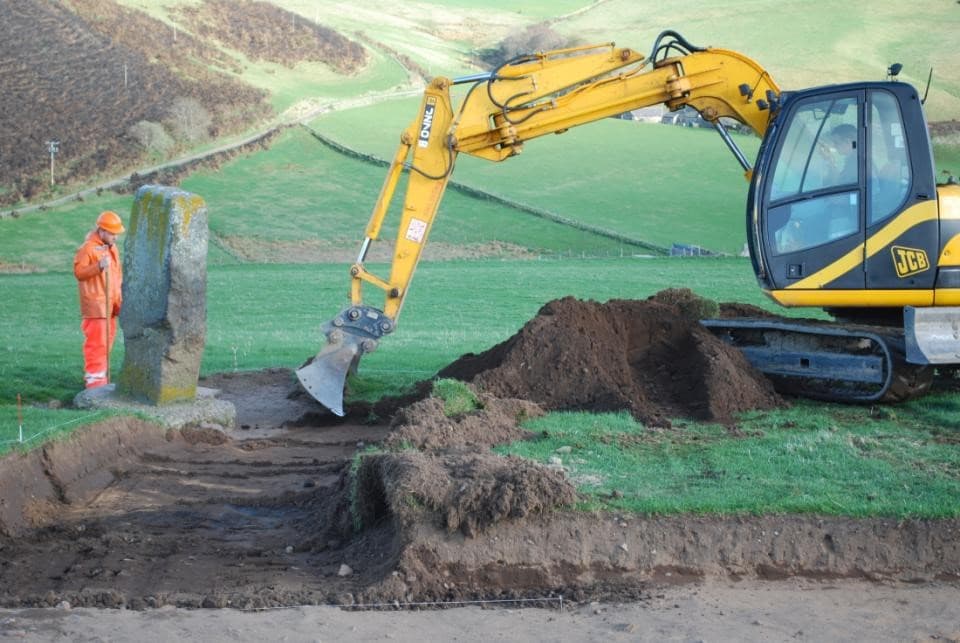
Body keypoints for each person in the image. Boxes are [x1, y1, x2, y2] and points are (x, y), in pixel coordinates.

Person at [73, 210, 125, 389]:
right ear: (101, 231)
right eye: (112, 233)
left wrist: (119, 300)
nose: (115, 237)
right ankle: (94, 384)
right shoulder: (87, 248)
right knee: (97, 345)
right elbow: (79, 273)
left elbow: (117, 276)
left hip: (111, 305)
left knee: (106, 344)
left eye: (116, 234)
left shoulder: (112, 248)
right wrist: (98, 267)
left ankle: (101, 379)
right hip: (96, 306)